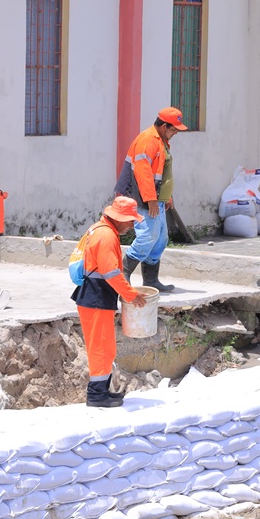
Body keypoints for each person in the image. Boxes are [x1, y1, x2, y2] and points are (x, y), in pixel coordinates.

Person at [71, 196, 148, 408]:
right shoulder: (106, 236)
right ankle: (97, 395)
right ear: (120, 218)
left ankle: (102, 391)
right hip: (96, 297)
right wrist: (131, 295)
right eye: (130, 220)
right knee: (100, 348)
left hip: (96, 296)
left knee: (106, 347)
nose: (132, 225)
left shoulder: (100, 230)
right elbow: (111, 273)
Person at [113, 106, 188, 292]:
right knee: (147, 237)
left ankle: (151, 280)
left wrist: (166, 196)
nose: (176, 133)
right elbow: (143, 172)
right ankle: (123, 273)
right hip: (144, 199)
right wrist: (151, 199)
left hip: (157, 199)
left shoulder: (161, 141)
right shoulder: (148, 140)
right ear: (164, 126)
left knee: (160, 239)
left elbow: (161, 172)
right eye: (174, 129)